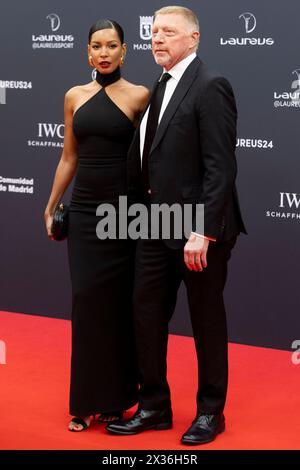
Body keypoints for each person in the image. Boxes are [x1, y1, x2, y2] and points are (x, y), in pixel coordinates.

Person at [106, 6, 246, 444]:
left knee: (206, 321)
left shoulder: (210, 85)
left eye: (169, 32)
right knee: (146, 314)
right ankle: (154, 406)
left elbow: (220, 168)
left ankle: (210, 413)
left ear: (194, 37)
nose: (158, 38)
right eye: (154, 32)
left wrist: (202, 230)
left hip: (196, 229)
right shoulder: (161, 84)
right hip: (153, 223)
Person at [44, 19, 149, 431]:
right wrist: (52, 204)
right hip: (86, 212)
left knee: (120, 306)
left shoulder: (141, 96)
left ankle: (118, 400)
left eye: (111, 46)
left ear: (125, 51)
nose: (103, 53)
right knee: (86, 302)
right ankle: (84, 401)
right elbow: (69, 156)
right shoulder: (74, 96)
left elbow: (150, 158)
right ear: (87, 52)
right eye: (96, 46)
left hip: (124, 216)